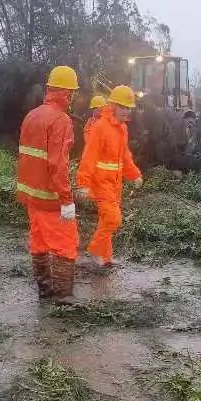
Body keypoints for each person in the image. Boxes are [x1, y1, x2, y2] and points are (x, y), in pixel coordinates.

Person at [16, 65, 80, 301]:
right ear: (67, 94)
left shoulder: (31, 115)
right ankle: (63, 298)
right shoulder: (60, 120)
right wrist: (67, 199)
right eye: (72, 93)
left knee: (39, 242)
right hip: (50, 198)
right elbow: (58, 165)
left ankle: (44, 289)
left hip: (31, 196)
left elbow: (26, 157)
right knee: (66, 244)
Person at [76, 85, 143, 267]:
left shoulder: (122, 129)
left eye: (128, 107)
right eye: (123, 107)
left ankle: (105, 257)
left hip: (115, 183)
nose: (126, 111)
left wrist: (134, 174)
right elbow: (89, 156)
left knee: (107, 220)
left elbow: (125, 156)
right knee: (114, 218)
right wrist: (83, 183)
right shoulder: (100, 127)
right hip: (101, 182)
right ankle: (95, 250)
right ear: (113, 105)